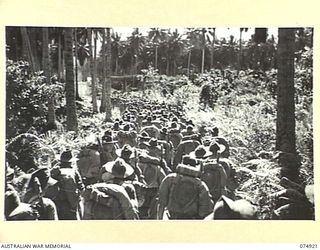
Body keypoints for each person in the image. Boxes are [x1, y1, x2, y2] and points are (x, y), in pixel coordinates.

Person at [51, 150, 85, 220]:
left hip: (57, 202)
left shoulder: (54, 171)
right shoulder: (73, 171)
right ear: (71, 162)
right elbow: (81, 187)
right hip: (71, 203)